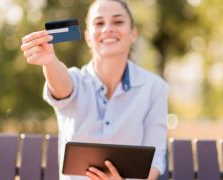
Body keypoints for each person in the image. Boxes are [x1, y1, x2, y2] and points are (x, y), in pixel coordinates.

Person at [21, 0, 169, 179]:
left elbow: (155, 159)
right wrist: (50, 61)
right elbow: (62, 87)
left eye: (118, 21)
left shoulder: (155, 88)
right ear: (88, 37)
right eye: (99, 23)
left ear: (133, 34)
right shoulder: (75, 81)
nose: (107, 29)